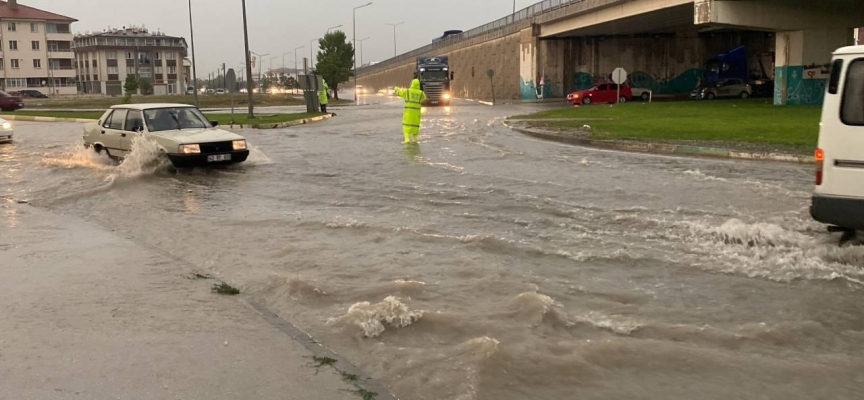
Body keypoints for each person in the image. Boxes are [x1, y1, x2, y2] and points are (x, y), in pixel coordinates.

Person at [395, 79, 426, 144]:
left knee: (406, 126)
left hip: (408, 112)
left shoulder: (407, 91)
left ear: (412, 84)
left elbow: (399, 93)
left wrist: (396, 89)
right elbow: (424, 98)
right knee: (415, 126)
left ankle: (407, 139)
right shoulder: (421, 93)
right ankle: (415, 139)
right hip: (416, 113)